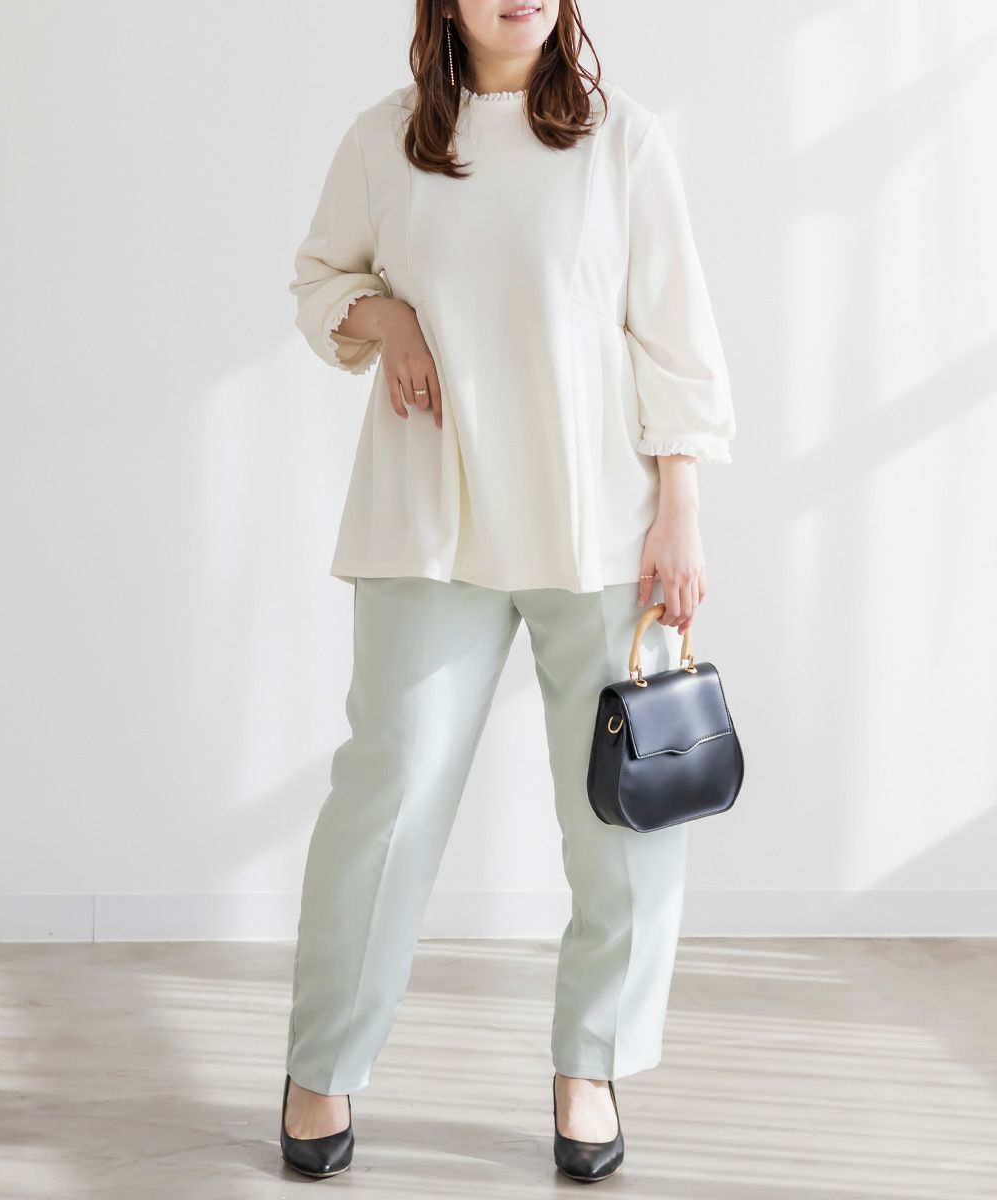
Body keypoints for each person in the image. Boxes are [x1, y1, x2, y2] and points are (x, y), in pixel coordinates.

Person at [279, 0, 736, 1183]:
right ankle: (322, 1062)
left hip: (602, 526)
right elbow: (319, 280)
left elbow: (673, 334)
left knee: (622, 821)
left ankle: (591, 1066)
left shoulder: (623, 139)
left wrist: (679, 507)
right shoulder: (385, 139)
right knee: (383, 803)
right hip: (429, 519)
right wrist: (386, 316)